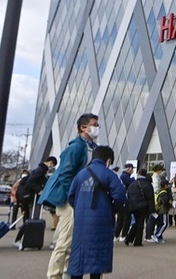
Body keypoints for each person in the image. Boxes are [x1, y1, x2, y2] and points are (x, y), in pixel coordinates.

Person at [40, 112, 99, 279]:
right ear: (83, 127)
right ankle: (54, 275)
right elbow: (66, 174)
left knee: (73, 241)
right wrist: (72, 197)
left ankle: (67, 272)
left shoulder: (90, 148)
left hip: (79, 199)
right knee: (65, 241)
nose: (97, 128)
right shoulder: (76, 147)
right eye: (95, 124)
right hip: (69, 201)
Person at [66, 145, 126, 279]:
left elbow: (70, 197)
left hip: (81, 221)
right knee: (97, 256)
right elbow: (120, 195)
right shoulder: (109, 174)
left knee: (78, 254)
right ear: (109, 160)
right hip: (101, 220)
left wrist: (81, 207)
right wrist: (112, 208)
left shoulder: (80, 174)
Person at [123, 168, 154, 247]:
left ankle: (129, 238)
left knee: (137, 222)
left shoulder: (133, 184)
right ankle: (137, 241)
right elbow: (150, 198)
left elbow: (128, 195)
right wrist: (152, 209)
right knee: (140, 223)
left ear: (138, 173)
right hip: (142, 206)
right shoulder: (148, 184)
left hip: (132, 205)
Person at [115, 164, 134, 240]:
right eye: (132, 169)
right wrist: (133, 179)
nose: (132, 170)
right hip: (125, 200)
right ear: (128, 169)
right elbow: (132, 182)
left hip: (121, 200)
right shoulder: (125, 177)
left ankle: (116, 235)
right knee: (126, 218)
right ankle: (123, 235)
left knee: (121, 218)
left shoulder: (122, 176)